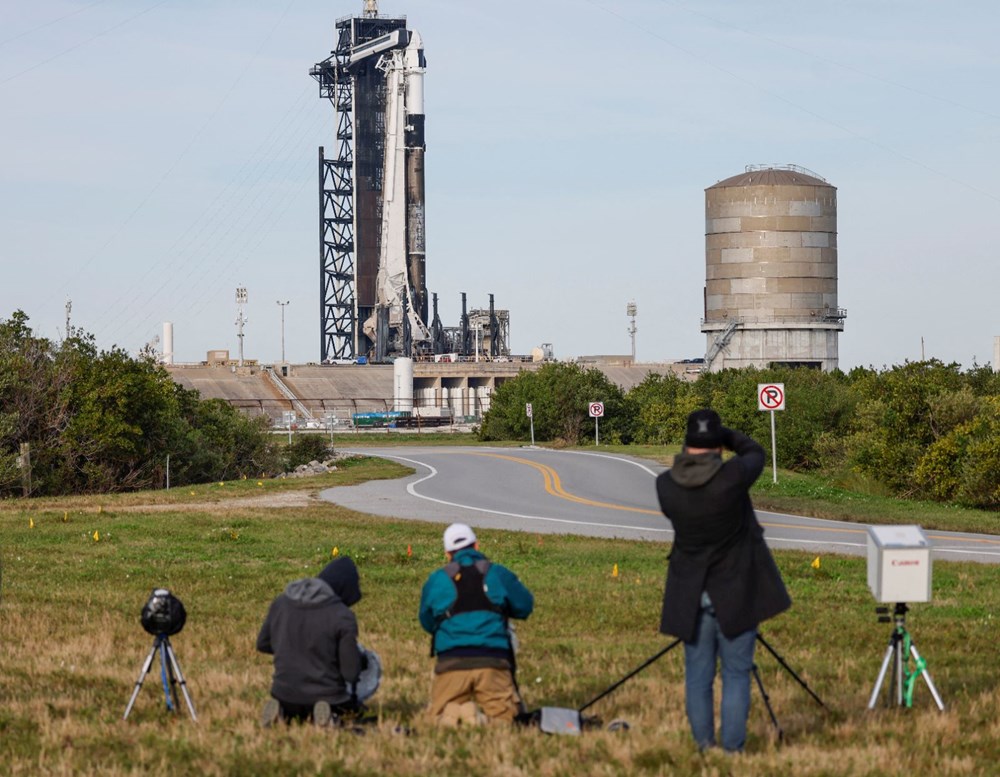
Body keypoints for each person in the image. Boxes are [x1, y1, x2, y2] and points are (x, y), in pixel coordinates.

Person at [655, 409, 791, 753]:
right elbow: (755, 452)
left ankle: (704, 745)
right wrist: (725, 433)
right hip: (735, 590)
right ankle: (732, 748)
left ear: (686, 445)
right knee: (735, 674)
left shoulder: (666, 486)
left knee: (698, 678)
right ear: (717, 447)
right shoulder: (732, 478)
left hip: (690, 592)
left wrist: (708, 438)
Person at [419, 523, 534, 726]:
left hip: (452, 661)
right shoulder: (498, 573)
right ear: (477, 546)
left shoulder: (437, 579)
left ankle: (461, 715)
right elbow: (524, 606)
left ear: (447, 554)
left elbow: (427, 621)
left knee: (438, 721)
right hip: (493, 661)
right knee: (506, 722)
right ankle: (482, 720)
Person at [257, 556, 365, 727]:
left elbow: (263, 644)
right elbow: (350, 673)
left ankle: (282, 711)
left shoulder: (282, 602)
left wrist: (291, 647)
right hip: (328, 694)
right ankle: (326, 714)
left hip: (284, 692)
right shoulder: (342, 615)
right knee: (344, 703)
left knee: (288, 703)